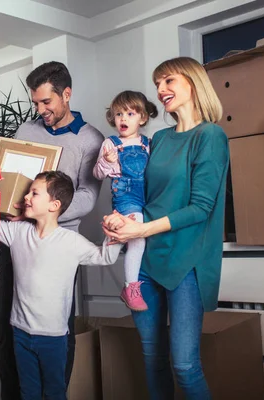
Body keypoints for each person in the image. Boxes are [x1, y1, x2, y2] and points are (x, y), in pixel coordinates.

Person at [102, 57, 229, 399]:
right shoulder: (157, 139)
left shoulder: (211, 136)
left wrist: (141, 231)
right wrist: (123, 219)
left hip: (187, 261)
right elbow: (138, 191)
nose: (160, 90)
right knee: (152, 359)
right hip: (146, 259)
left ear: (193, 82)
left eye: (168, 81)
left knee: (185, 366)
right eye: (157, 83)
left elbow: (201, 208)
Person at [0, 61, 105, 399]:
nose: (40, 110)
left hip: (57, 245)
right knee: (8, 322)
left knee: (59, 326)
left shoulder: (91, 139)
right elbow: (9, 179)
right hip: (16, 238)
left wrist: (46, 215)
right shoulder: (26, 133)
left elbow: (88, 197)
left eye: (46, 102)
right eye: (35, 103)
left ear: (66, 94)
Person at [0, 171, 121, 400]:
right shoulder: (16, 232)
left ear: (54, 204)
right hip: (20, 332)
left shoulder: (70, 242)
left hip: (53, 337)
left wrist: (115, 231)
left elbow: (105, 257)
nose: (27, 197)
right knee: (28, 392)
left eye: (34, 193)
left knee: (54, 392)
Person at [93, 90, 158, 311]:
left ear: (143, 117)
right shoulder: (110, 144)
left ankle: (112, 234)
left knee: (131, 243)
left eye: (130, 114)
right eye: (119, 113)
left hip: (146, 198)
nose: (123, 119)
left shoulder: (148, 143)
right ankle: (131, 288)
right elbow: (97, 174)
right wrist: (106, 161)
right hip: (125, 198)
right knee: (137, 240)